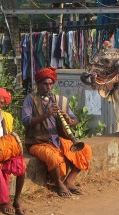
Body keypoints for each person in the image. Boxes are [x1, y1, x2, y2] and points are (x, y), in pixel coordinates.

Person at [22, 67, 92, 198]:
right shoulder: (30, 99)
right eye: (45, 84)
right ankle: (58, 184)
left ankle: (69, 181)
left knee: (85, 150)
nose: (48, 87)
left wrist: (70, 121)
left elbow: (75, 119)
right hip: (37, 142)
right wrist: (47, 114)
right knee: (54, 158)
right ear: (38, 84)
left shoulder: (60, 100)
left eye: (50, 84)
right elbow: (26, 121)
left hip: (56, 139)